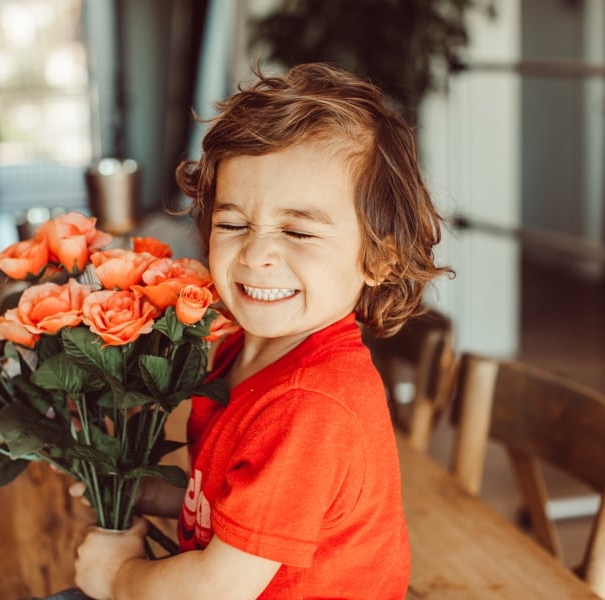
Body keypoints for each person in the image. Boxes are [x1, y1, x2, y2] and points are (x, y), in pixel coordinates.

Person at [73, 62, 449, 600]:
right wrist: (150, 495)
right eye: (233, 224)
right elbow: (249, 502)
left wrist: (117, 578)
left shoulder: (310, 405)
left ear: (379, 260)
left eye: (298, 230)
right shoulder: (239, 349)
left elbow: (215, 590)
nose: (257, 254)